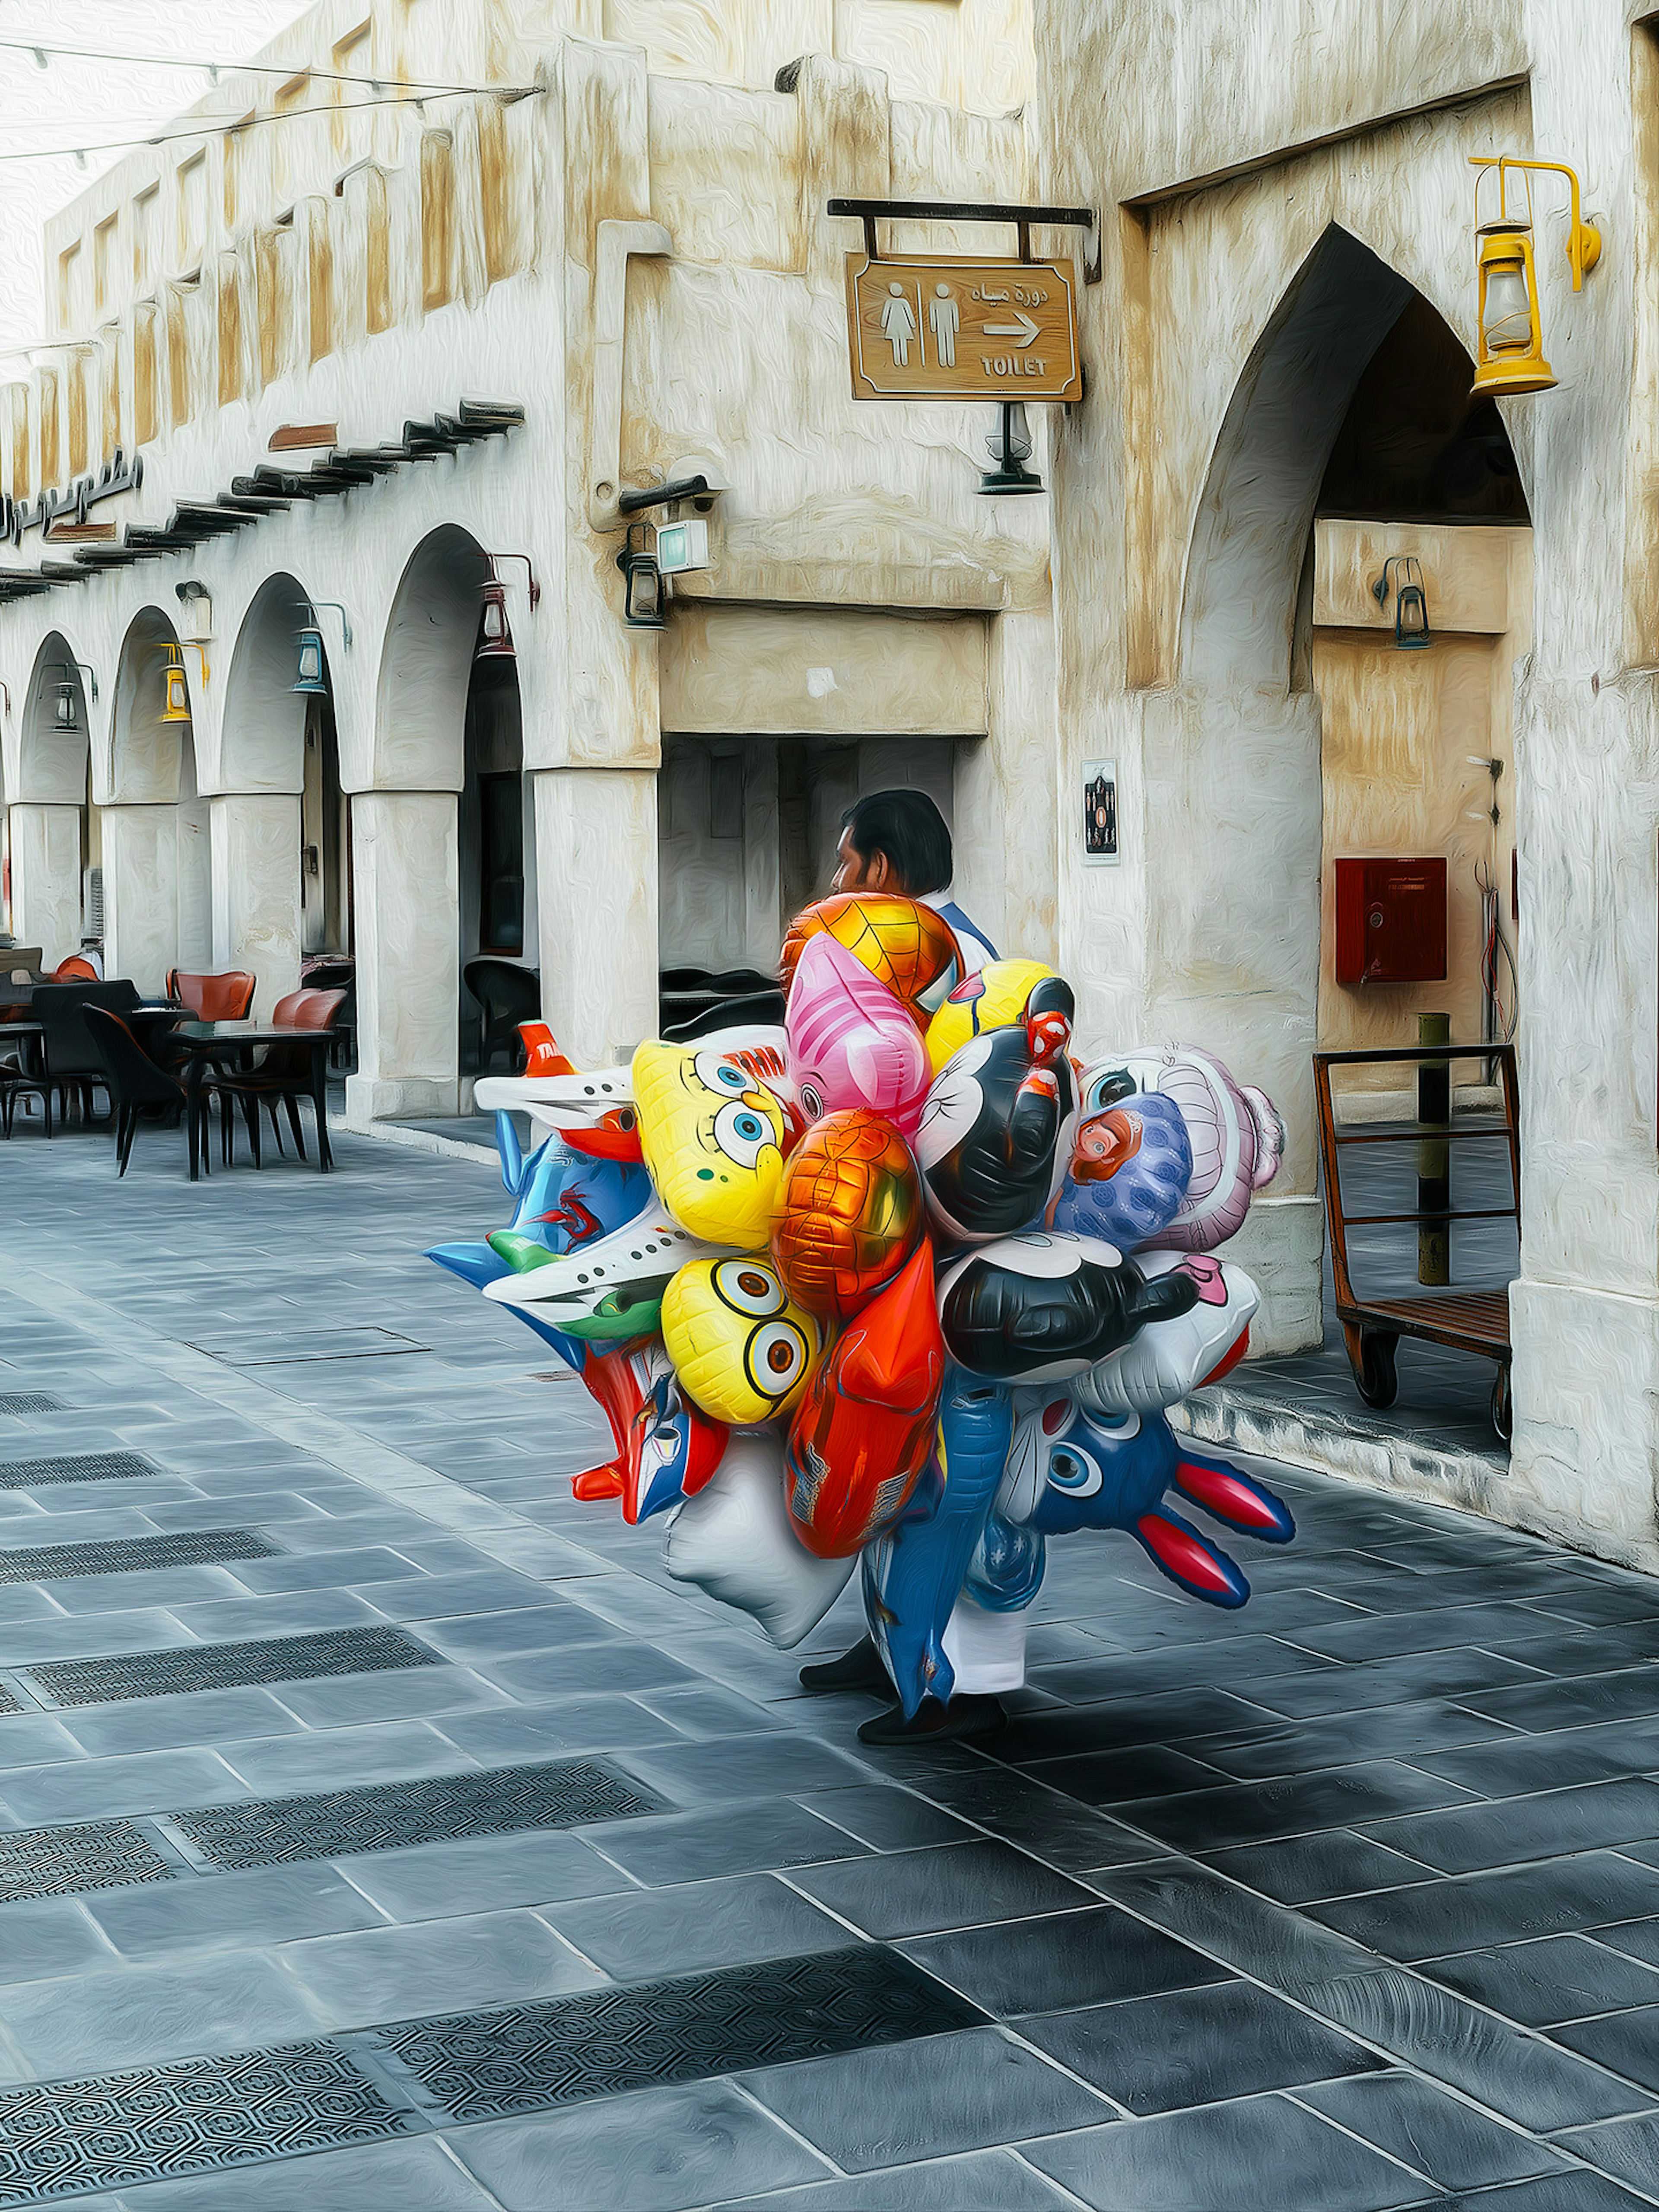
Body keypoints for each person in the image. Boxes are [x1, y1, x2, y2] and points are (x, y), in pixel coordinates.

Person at [808, 787, 1023, 1745]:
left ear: (881, 872)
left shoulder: (926, 965)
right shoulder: (968, 945)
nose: (836, 882)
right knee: (881, 1444)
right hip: (899, 1243)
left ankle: (937, 1676)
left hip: (941, 1254)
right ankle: (885, 1642)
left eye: (846, 864)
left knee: (936, 1463)